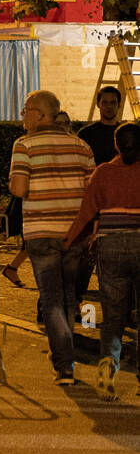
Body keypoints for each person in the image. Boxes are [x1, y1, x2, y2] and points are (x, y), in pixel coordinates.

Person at [10, 89, 95, 385]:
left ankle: (64, 366)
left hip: (41, 231)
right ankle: (64, 350)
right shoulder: (81, 146)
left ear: (42, 115)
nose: (23, 115)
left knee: (51, 298)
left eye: (26, 110)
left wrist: (14, 183)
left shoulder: (24, 145)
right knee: (69, 293)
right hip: (75, 234)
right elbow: (91, 193)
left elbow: (19, 190)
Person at [63, 122, 140, 400]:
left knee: (114, 317)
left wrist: (68, 244)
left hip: (110, 247)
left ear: (116, 145)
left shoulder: (103, 173)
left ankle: (108, 371)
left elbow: (85, 215)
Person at [76, 86, 124, 302]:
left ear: (118, 104)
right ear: (98, 104)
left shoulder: (127, 133)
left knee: (120, 258)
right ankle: (76, 299)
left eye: (112, 102)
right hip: (93, 203)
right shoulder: (86, 134)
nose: (108, 106)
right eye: (105, 102)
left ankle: (123, 307)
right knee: (86, 256)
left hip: (121, 204)